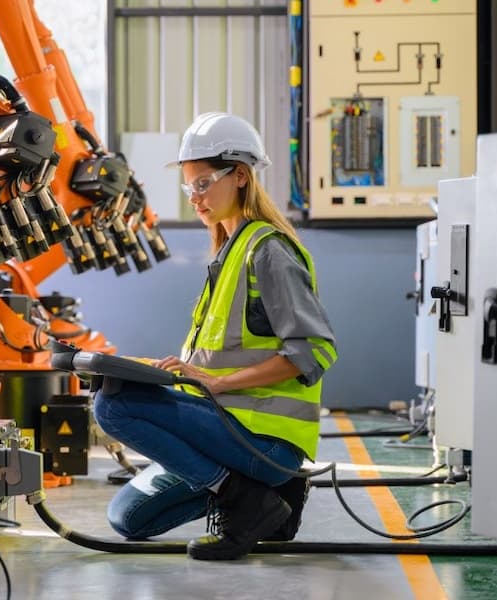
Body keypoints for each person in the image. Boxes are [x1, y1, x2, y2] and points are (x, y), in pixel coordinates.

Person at [92, 112, 337, 561]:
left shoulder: (269, 251)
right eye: (190, 188)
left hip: (263, 438)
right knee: (129, 518)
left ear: (240, 176)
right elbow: (221, 357)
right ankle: (274, 496)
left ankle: (247, 499)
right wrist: (159, 371)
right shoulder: (228, 252)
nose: (195, 198)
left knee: (113, 405)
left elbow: (315, 351)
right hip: (224, 426)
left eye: (203, 184)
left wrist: (216, 383)